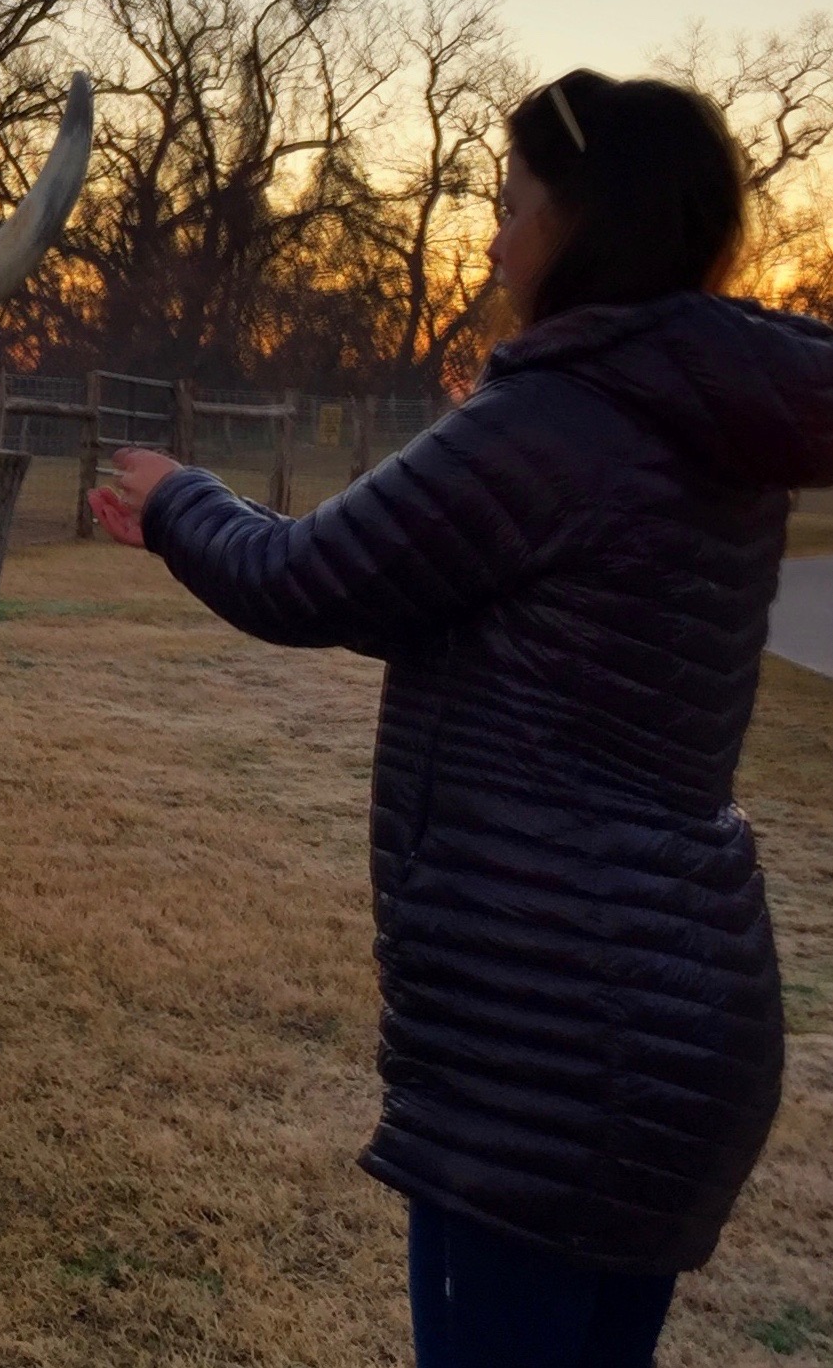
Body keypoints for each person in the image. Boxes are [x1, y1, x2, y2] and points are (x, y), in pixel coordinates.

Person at [87, 70, 832, 1368]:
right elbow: (430, 593)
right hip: (675, 1013)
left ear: (580, 219)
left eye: (509, 202)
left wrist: (174, 501)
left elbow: (302, 576)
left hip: (549, 1034)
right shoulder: (704, 413)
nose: (489, 235)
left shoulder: (557, 413)